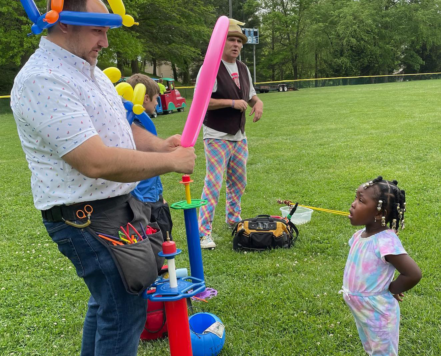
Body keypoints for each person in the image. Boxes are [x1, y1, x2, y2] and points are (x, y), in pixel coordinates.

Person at [10, 0, 195, 355]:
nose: (105, 42)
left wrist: (159, 146)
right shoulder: (43, 79)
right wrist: (171, 162)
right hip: (83, 216)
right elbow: (93, 161)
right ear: (64, 24)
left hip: (116, 207)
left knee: (111, 300)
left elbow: (120, 130)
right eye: (98, 30)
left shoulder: (88, 70)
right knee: (123, 309)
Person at [197, 18, 264, 249]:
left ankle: (233, 219)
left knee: (239, 181)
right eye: (231, 40)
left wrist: (258, 102)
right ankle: (203, 232)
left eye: (239, 41)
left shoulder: (243, 68)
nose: (236, 45)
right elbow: (202, 102)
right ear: (220, 42)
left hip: (239, 136)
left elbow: (251, 93)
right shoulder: (210, 68)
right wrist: (232, 103)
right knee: (213, 184)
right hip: (216, 135)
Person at [343, 176, 422, 355]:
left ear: (379, 213)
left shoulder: (385, 241)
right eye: (355, 198)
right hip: (362, 310)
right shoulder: (359, 236)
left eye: (361, 200)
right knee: (372, 349)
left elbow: (413, 273)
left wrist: (391, 288)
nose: (353, 204)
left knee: (383, 352)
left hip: (379, 312)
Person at [126, 74, 173, 240]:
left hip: (150, 198)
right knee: (160, 243)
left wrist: (160, 195)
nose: (157, 103)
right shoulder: (137, 128)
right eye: (156, 98)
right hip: (145, 203)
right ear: (145, 98)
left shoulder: (135, 124)